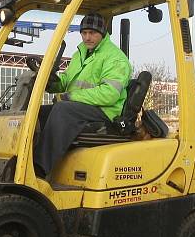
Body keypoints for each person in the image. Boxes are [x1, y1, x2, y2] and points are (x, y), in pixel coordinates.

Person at [37, 13, 132, 177]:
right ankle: (27, 159)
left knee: (62, 110)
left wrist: (70, 97)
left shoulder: (115, 58)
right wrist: (52, 83)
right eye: (84, 33)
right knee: (40, 113)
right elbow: (66, 82)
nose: (87, 37)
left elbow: (109, 94)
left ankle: (39, 169)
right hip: (84, 106)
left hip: (106, 111)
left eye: (92, 33)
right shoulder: (79, 54)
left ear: (102, 34)